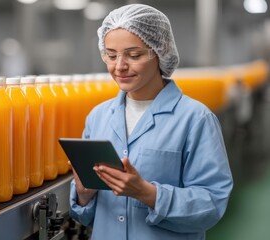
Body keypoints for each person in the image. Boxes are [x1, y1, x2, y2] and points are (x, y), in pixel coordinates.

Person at [69, 4, 233, 239]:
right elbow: (84, 215)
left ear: (160, 51)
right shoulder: (98, 117)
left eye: (134, 55)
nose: (119, 66)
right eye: (111, 55)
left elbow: (212, 203)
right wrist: (84, 193)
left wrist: (148, 193)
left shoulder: (196, 119)